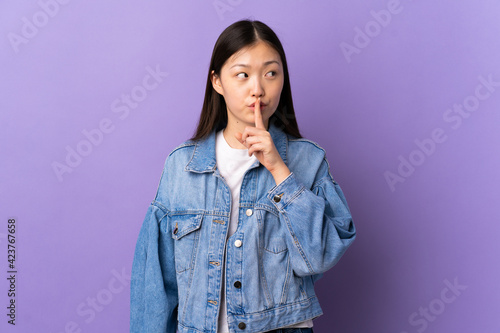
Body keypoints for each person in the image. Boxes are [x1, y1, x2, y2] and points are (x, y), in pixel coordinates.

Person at [130, 19, 356, 333]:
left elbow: (317, 258)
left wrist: (280, 170)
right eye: (243, 74)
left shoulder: (308, 160)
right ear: (217, 81)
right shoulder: (182, 166)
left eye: (271, 73)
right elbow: (155, 284)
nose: (258, 89)